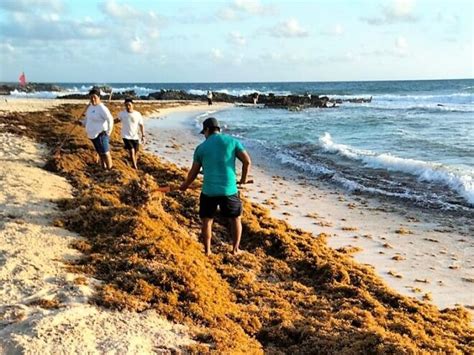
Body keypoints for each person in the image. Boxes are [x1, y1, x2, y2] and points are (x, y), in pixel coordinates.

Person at [179, 117, 251, 256]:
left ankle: (207, 251)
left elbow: (193, 172)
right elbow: (247, 162)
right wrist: (243, 179)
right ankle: (235, 250)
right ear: (219, 129)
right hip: (229, 190)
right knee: (235, 218)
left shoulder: (201, 148)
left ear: (207, 130)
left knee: (207, 220)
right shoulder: (233, 142)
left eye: (204, 132)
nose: (204, 135)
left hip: (209, 191)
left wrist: (185, 185)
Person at [83, 87, 114, 169]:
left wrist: (108, 132)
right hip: (92, 135)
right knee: (100, 153)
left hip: (101, 134)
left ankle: (109, 169)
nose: (93, 99)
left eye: (95, 97)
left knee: (105, 153)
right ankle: (103, 167)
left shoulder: (102, 108)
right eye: (91, 97)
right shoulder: (90, 108)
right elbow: (87, 120)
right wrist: (80, 123)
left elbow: (110, 119)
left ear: (99, 97)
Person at [116, 98, 145, 169]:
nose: (128, 107)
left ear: (132, 105)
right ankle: (135, 167)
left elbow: (141, 125)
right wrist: (108, 123)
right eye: (126, 105)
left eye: (129, 105)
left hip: (135, 136)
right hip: (126, 136)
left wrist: (143, 135)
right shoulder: (122, 114)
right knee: (131, 151)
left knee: (136, 152)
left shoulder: (137, 114)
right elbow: (116, 120)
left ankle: (132, 162)